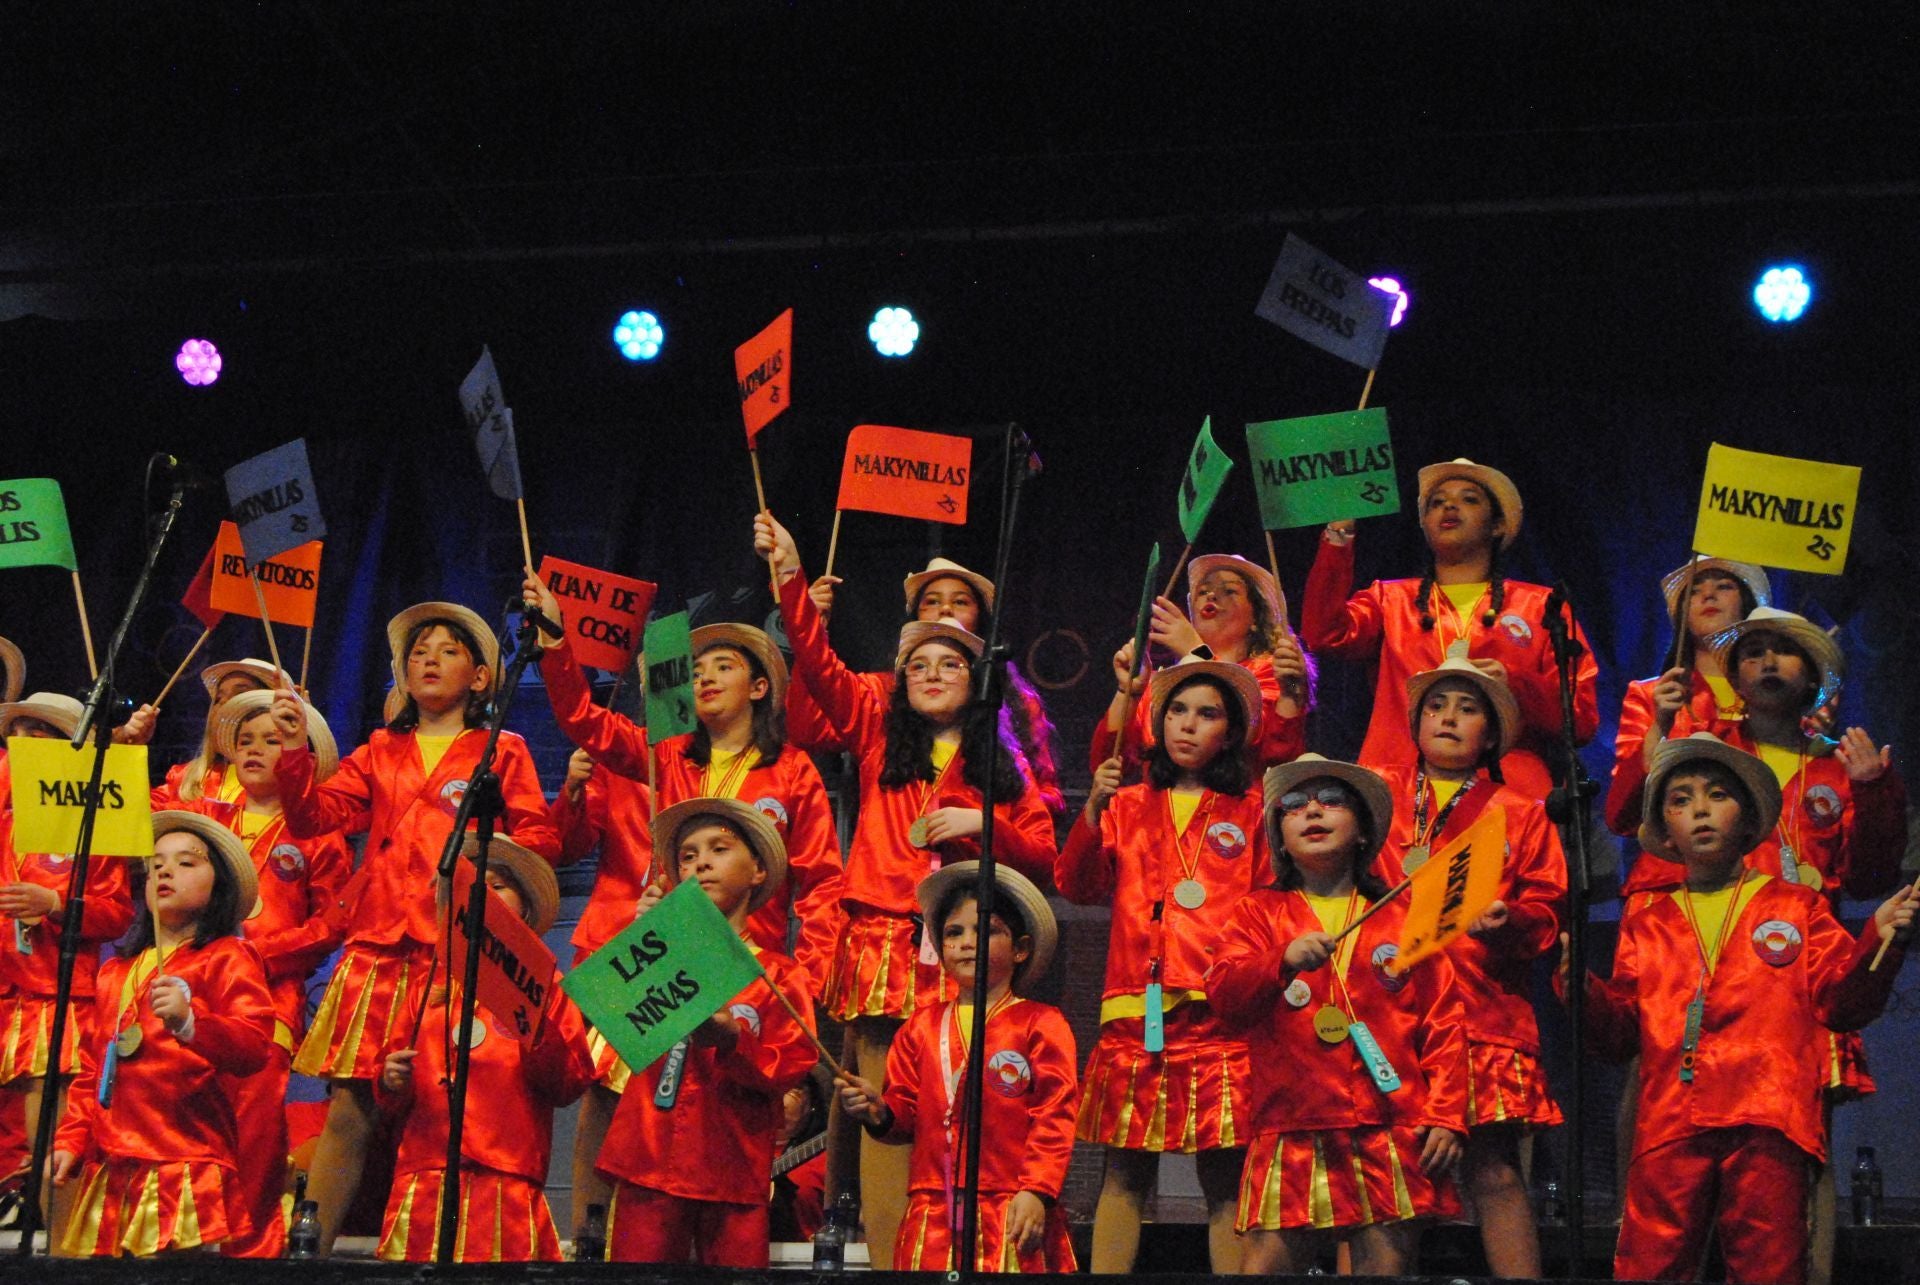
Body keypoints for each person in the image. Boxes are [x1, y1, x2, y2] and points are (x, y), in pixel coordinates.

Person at [758, 511, 1059, 1259]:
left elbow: (1046, 856)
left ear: (978, 679)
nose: (930, 671)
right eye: (918, 661)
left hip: (959, 951)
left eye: (950, 663)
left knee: (947, 1098)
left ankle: (951, 1239)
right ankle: (865, 1234)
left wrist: (981, 823)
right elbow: (820, 670)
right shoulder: (874, 727)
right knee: (879, 1101)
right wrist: (791, 578)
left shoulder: (1002, 766)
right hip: (882, 933)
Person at [1565, 733, 1915, 1284]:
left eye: (1717, 794)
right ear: (1665, 830)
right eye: (1680, 800)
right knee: (1650, 1268)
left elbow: (1842, 1002)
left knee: (1769, 1270)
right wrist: (1578, 987)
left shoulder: (1794, 906)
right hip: (1671, 1123)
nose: (1700, 809)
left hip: (1766, 1118)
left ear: (1750, 821)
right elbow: (1619, 1034)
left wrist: (1879, 939)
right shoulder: (1649, 920)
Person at [266, 601, 560, 1254]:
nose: (428, 656)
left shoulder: (501, 750)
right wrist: (293, 749)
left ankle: (435, 1249)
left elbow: (536, 834)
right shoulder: (380, 748)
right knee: (350, 1110)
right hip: (377, 949)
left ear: (483, 678)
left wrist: (502, 865)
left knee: (440, 1110)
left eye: (447, 648)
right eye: (418, 649)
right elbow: (316, 816)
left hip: (454, 955)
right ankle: (310, 1249)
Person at [1210, 754, 1468, 1276]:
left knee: (1385, 1270)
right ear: (1280, 838)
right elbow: (1224, 996)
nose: (1312, 811)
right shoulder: (1257, 913)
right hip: (1291, 1122)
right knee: (1263, 1270)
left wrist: (1446, 1114)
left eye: (1331, 801)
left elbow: (1444, 1022)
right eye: (1294, 805)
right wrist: (1277, 960)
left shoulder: (1405, 915)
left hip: (1389, 1124)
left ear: (1363, 833)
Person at [1057, 656, 1265, 1272]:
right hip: (1135, 1009)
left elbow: (1271, 910)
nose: (1188, 725)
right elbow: (1078, 884)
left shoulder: (1251, 811)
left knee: (1226, 1181)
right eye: (1177, 709)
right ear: (1155, 719)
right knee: (1123, 1176)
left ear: (1228, 733)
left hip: (1221, 1016)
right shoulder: (1124, 804)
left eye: (1207, 714)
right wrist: (1092, 814)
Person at [1379, 641, 1566, 1277]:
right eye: (1437, 706)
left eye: (1467, 708)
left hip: (1482, 1009)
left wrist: (1508, 919)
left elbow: (1547, 912)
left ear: (1491, 735)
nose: (1450, 718)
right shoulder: (1376, 798)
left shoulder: (1519, 814)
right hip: (1391, 1011)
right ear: (1416, 722)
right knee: (1389, 1176)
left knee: (1493, 1168)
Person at [596, 798, 818, 1267]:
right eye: (688, 856)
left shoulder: (779, 974)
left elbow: (793, 1063)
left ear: (758, 870)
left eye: (719, 849)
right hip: (649, 1159)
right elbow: (613, 1026)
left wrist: (734, 1041)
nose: (702, 863)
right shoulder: (656, 946)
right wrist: (642, 945)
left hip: (732, 1167)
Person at [1301, 458, 1598, 800]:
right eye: (1437, 502)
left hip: (1508, 794)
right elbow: (1324, 632)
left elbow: (1582, 719)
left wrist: (1514, 684)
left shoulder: (1541, 606)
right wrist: (1338, 538)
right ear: (1425, 524)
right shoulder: (1390, 600)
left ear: (1498, 525)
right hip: (1399, 790)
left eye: (1469, 499)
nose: (1449, 506)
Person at [49, 811, 277, 1256]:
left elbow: (253, 1047)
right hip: (114, 1165)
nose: (165, 871)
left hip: (185, 1161)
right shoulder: (116, 972)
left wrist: (191, 1023)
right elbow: (94, 1069)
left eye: (186, 863)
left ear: (220, 887)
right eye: (155, 866)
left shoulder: (227, 957)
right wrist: (71, 1139)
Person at [836, 862, 1079, 1273]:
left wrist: (1037, 1190)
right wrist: (880, 1111)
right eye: (954, 932)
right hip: (933, 1207)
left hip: (1011, 1205)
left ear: (1020, 948)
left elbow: (1055, 1115)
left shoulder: (1040, 1023)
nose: (968, 943)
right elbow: (906, 1108)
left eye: (987, 931)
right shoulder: (922, 1025)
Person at [373, 836, 595, 1262]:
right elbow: (391, 1093)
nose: (483, 898)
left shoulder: (545, 989)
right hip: (427, 1174)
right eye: (472, 888)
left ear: (526, 907)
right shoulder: (427, 986)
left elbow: (568, 1083)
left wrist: (530, 1024)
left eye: (497, 886)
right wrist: (389, 1079)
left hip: (505, 1176)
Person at [204, 688, 352, 1257]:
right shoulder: (209, 823)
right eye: (244, 741)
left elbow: (330, 923)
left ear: (300, 755)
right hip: (195, 991)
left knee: (255, 1121)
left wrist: (261, 957)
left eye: (272, 740)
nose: (255, 750)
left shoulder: (318, 833)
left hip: (270, 998)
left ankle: (254, 1243)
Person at [0, 693, 136, 1214]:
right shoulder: (7, 822)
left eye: (41, 735)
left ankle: (53, 1226)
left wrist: (55, 903)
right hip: (7, 989)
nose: (26, 745)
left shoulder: (93, 828)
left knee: (48, 1112)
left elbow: (118, 914)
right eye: (21, 734)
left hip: (54, 993)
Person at [792, 554, 1065, 812]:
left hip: (975, 855)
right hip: (894, 851)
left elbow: (1047, 796)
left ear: (981, 620)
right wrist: (811, 626)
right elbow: (809, 731)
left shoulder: (1015, 701)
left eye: (960, 602)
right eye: (932, 602)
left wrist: (994, 814)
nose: (945, 609)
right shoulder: (879, 692)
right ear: (915, 619)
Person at [545, 745, 654, 1226]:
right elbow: (567, 847)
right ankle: (588, 1233)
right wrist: (572, 788)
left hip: (699, 939)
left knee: (673, 1100)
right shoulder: (620, 758)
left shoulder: (741, 761)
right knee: (605, 1093)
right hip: (617, 943)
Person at [1092, 554, 1310, 773]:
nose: (1212, 595)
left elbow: (1265, 749)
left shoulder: (1270, 672)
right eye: (1203, 591)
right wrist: (1127, 692)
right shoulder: (1164, 684)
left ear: (1256, 617)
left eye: (1229, 591)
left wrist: (1196, 652)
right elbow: (1107, 764)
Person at [1604, 559, 1771, 838]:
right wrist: (1660, 725)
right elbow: (1621, 814)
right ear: (1681, 615)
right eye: (1694, 591)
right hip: (1677, 868)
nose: (1708, 595)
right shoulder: (1649, 696)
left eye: (1724, 586)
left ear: (1746, 604)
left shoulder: (1774, 690)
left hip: (1764, 861)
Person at [154, 658, 281, 807]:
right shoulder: (184, 777)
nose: (223, 703)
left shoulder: (295, 783)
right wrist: (128, 747)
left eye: (239, 694)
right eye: (218, 698)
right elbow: (135, 815)